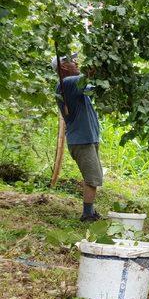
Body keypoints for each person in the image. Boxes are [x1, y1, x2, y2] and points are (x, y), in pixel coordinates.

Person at [52, 53, 103, 222]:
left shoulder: (75, 86)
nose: (76, 62)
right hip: (82, 140)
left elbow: (93, 86)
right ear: (63, 67)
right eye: (71, 61)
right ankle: (87, 215)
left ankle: (90, 211)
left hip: (88, 138)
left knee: (93, 177)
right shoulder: (66, 83)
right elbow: (89, 74)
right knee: (92, 178)